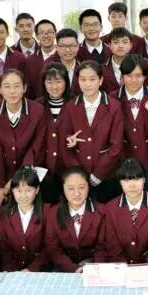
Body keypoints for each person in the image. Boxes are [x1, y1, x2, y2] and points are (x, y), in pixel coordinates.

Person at [60, 61, 124, 203]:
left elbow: (116, 146)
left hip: (107, 175)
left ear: (100, 80)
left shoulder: (114, 107)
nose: (87, 84)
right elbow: (65, 142)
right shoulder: (70, 107)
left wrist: (98, 175)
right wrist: (78, 173)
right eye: (83, 79)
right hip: (79, 178)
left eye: (92, 79)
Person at [0, 69, 45, 205]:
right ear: (0, 90)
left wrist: (14, 180)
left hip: (29, 171)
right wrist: (1, 185)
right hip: (3, 171)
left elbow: (36, 147)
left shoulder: (37, 110)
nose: (12, 91)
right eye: (7, 86)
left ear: (24, 88)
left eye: (17, 86)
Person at [103, 158, 148, 264]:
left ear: (144, 179)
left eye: (137, 179)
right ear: (120, 182)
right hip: (120, 266)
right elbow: (113, 248)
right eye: (126, 180)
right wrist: (123, 268)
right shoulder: (110, 208)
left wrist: (146, 269)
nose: (132, 185)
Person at [45, 167, 108, 272]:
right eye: (71, 188)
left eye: (82, 187)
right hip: (64, 266)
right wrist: (73, 269)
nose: (77, 193)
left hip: (94, 266)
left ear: (88, 187)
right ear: (63, 188)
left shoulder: (101, 211)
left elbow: (103, 247)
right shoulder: (53, 213)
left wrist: (94, 268)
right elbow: (53, 248)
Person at [114, 54, 148, 185]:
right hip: (122, 163)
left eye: (138, 76)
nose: (133, 80)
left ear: (145, 77)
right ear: (122, 76)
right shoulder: (113, 99)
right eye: (129, 75)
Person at [0, 167, 49, 271]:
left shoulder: (48, 212)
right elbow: (4, 248)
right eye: (19, 191)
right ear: (12, 191)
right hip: (12, 271)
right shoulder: (3, 214)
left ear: (37, 189)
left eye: (28, 190)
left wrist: (31, 269)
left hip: (41, 270)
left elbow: (49, 247)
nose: (23, 195)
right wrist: (13, 271)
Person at [37, 63, 72, 203]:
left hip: (70, 168)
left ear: (66, 82)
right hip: (44, 169)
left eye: (58, 81)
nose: (54, 86)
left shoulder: (76, 103)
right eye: (49, 82)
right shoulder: (37, 105)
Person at [24, 19, 57, 100]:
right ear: (36, 36)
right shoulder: (30, 60)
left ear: (55, 34)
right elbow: (28, 89)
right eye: (42, 33)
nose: (46, 36)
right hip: (38, 104)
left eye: (49, 32)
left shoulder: (63, 57)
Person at [45, 28, 81, 95]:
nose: (67, 50)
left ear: (78, 46)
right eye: (63, 46)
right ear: (56, 47)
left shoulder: (82, 67)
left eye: (71, 45)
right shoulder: (48, 66)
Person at [101, 27, 136, 93]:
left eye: (124, 42)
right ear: (109, 45)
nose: (120, 46)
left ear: (130, 45)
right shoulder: (101, 69)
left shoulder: (140, 65)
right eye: (116, 42)